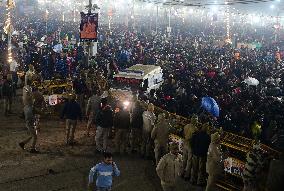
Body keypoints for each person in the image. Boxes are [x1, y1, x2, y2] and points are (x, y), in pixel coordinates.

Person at [19, 84, 38, 153]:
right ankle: (32, 148)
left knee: (32, 135)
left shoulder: (26, 105)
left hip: (29, 121)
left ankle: (23, 143)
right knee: (35, 136)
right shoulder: (29, 106)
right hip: (30, 122)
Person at [182, 115, 198, 179]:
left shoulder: (186, 126)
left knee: (184, 159)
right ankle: (187, 175)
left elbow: (183, 134)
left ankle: (181, 172)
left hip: (185, 143)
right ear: (195, 121)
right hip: (190, 146)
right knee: (189, 161)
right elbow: (194, 139)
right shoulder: (195, 129)